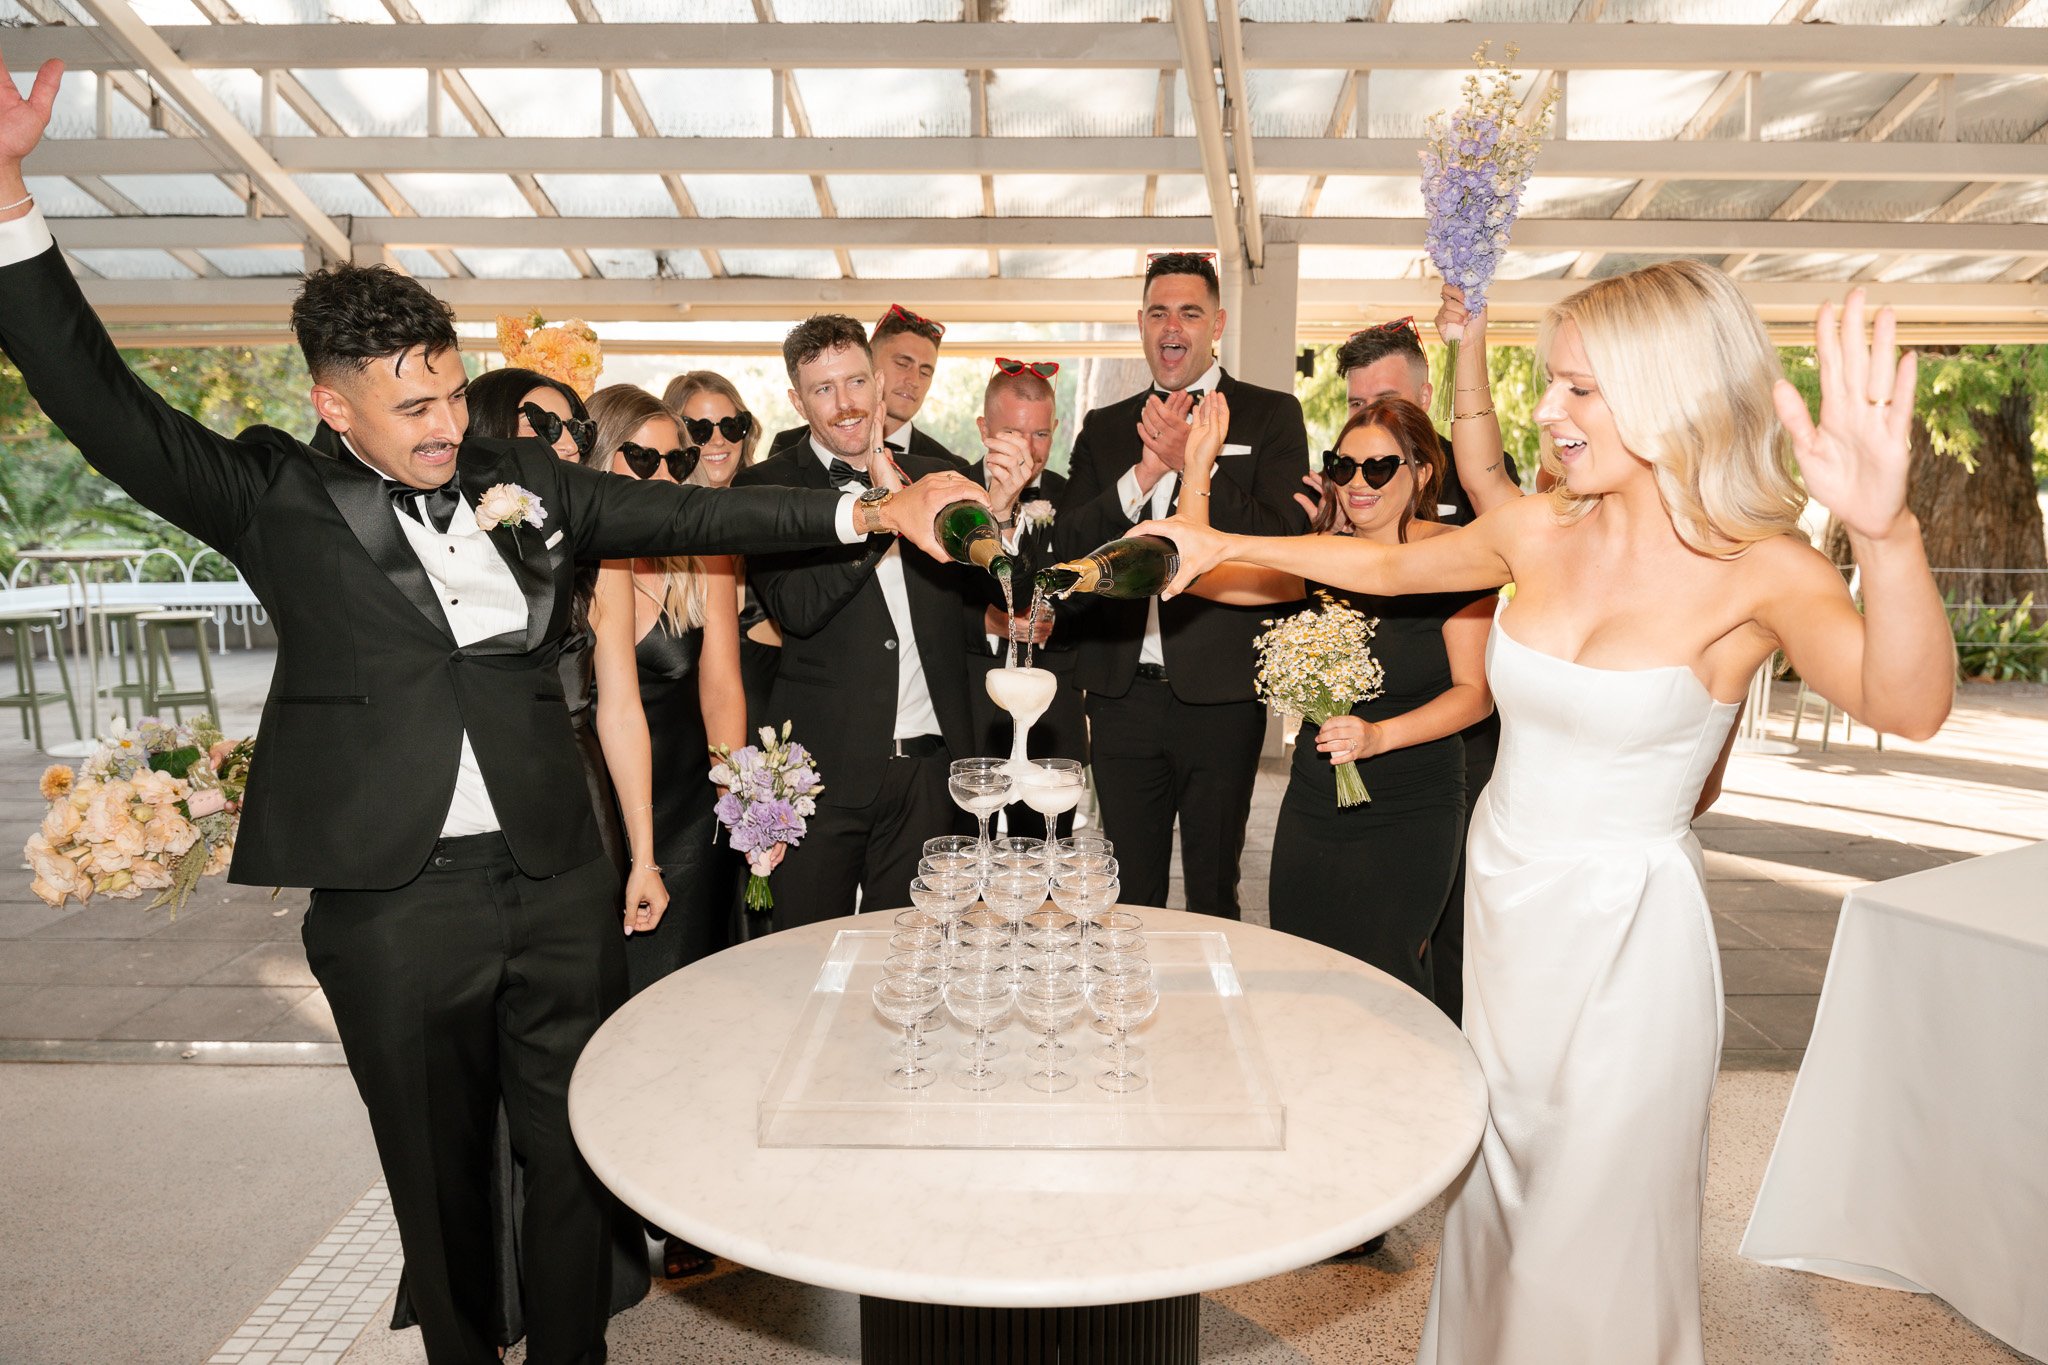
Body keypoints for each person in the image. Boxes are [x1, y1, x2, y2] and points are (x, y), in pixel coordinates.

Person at [0, 46, 983, 1365]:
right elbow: (103, 409)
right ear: (329, 403)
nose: (444, 423)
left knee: (573, 1155)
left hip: (551, 871)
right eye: (410, 406)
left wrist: (864, 507)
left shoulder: (521, 472)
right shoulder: (271, 493)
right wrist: (12, 205)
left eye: (450, 390)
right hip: (392, 899)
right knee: (438, 1178)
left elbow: (686, 507)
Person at [1139, 266, 1954, 1365]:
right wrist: (1220, 545)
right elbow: (1382, 567)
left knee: (1592, 1222)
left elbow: (1906, 705)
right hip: (1506, 918)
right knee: (1501, 1205)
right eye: (1550, 383)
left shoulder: (1761, 572)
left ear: (1665, 391)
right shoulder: (1538, 531)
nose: (1547, 413)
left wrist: (1887, 534)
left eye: (1579, 390)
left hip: (1624, 944)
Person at [382, 367, 657, 1345]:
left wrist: (638, 854)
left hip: (564, 812)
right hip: (445, 850)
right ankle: (475, 1297)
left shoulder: (589, 539)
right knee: (452, 1122)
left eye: (574, 419)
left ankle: (566, 1312)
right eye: (542, 419)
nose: (565, 433)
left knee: (561, 1105)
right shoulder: (417, 527)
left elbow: (618, 701)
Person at [1177, 396, 1493, 1000]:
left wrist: (1381, 736)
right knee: (1302, 964)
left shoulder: (1456, 554)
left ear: (1422, 473)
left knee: (1386, 977)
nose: (1357, 483)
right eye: (1342, 467)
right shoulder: (1318, 555)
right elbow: (1201, 574)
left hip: (1411, 801)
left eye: (1378, 468)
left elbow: (1474, 696)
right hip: (1319, 797)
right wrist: (1197, 469)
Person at [734, 315, 1024, 929]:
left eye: (856, 381)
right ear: (797, 400)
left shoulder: (936, 473)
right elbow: (798, 607)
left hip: (930, 771)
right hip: (820, 774)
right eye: (823, 389)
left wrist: (998, 514)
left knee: (914, 957)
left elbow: (990, 598)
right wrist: (884, 513)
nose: (846, 405)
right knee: (807, 954)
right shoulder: (766, 484)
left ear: (876, 381)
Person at [1052, 250, 1311, 917]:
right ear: (1141, 324)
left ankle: (1211, 1021)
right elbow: (1070, 553)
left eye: (1190, 312)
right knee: (1128, 890)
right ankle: (1126, 1017)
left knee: (1213, 887)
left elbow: (1281, 543)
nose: (1173, 326)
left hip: (1221, 697)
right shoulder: (1105, 428)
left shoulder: (1270, 415)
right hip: (1119, 696)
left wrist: (1195, 465)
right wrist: (1141, 475)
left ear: (1217, 322)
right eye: (1159, 312)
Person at [1324, 309, 1514, 1023]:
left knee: (1447, 935)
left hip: (1450, 760)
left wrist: (1472, 337)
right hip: (1343, 766)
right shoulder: (1333, 519)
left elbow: (1478, 685)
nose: (1370, 420)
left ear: (1427, 402)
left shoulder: (1482, 498)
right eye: (1355, 407)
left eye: (1388, 403)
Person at [959, 360, 1086, 839]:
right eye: (1012, 432)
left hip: (1054, 714)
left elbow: (1095, 598)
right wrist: (985, 620)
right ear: (983, 430)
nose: (1028, 451)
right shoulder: (953, 495)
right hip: (974, 708)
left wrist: (1058, 612)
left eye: (1040, 435)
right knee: (971, 851)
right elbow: (934, 601)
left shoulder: (1073, 499)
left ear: (1055, 430)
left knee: (1045, 854)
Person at [662, 369, 782, 742]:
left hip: (775, 730)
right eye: (699, 429)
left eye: (731, 425)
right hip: (686, 734)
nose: (717, 439)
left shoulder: (773, 519)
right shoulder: (656, 533)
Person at [766, 303, 969, 470]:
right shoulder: (787, 446)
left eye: (925, 372)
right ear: (869, 361)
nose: (914, 380)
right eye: (902, 363)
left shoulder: (950, 468)